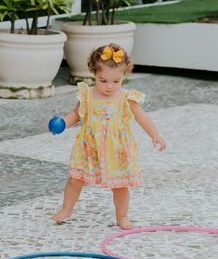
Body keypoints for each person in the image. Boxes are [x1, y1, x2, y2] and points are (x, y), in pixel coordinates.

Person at [49, 44, 166, 230]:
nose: (109, 87)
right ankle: (66, 209)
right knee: (75, 180)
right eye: (103, 81)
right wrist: (62, 124)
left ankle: (122, 216)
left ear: (124, 75)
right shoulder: (87, 95)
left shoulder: (126, 98)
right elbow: (76, 114)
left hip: (117, 150)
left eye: (116, 81)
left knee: (120, 186)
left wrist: (155, 135)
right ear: (93, 73)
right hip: (89, 147)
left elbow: (142, 116)